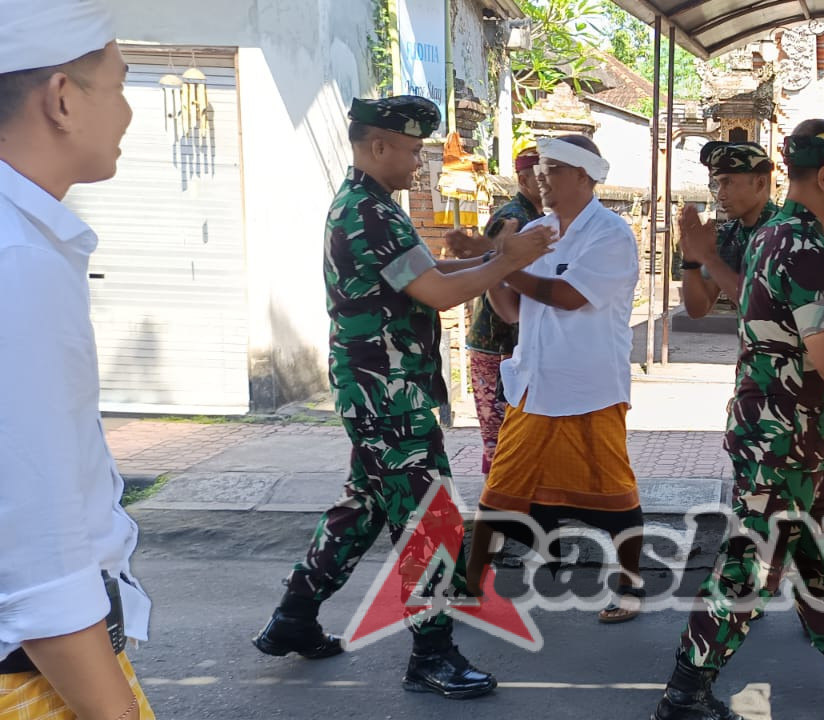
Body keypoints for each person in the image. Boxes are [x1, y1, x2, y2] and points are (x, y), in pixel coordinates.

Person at [252, 95, 552, 700]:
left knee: (362, 508)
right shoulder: (367, 212)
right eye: (413, 150)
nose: (419, 163)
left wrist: (491, 256)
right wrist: (508, 261)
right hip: (386, 394)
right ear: (378, 145)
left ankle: (294, 617)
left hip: (380, 390)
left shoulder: (372, 208)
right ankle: (432, 655)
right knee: (431, 517)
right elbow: (439, 294)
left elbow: (424, 271)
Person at [652, 120, 824, 720]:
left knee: (818, 554)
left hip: (786, 434)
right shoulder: (806, 248)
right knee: (750, 567)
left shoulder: (772, 234)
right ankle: (686, 693)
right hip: (783, 440)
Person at [0, 2, 156, 717]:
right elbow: (38, 551)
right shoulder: (18, 260)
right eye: (120, 87)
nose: (128, 113)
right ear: (62, 98)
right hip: (31, 682)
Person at [462, 134, 646, 625]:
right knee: (498, 490)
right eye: (539, 172)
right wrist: (493, 268)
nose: (541, 180)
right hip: (535, 385)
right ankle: (467, 586)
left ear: (584, 176)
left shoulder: (611, 234)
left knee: (616, 493)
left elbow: (566, 297)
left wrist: (498, 259)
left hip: (589, 389)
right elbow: (515, 310)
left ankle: (630, 587)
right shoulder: (539, 231)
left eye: (553, 172)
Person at [464, 137, 543, 475]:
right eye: (542, 177)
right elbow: (496, 279)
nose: (549, 184)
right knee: (502, 433)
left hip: (512, 340)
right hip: (499, 342)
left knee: (518, 431)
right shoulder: (513, 219)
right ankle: (499, 511)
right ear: (524, 180)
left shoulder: (535, 218)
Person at [678, 141, 779, 318]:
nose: (721, 195)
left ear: (760, 183)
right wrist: (691, 259)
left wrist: (709, 258)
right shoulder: (729, 234)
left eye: (728, 183)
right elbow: (698, 309)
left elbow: (761, 307)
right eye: (718, 184)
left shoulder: (786, 232)